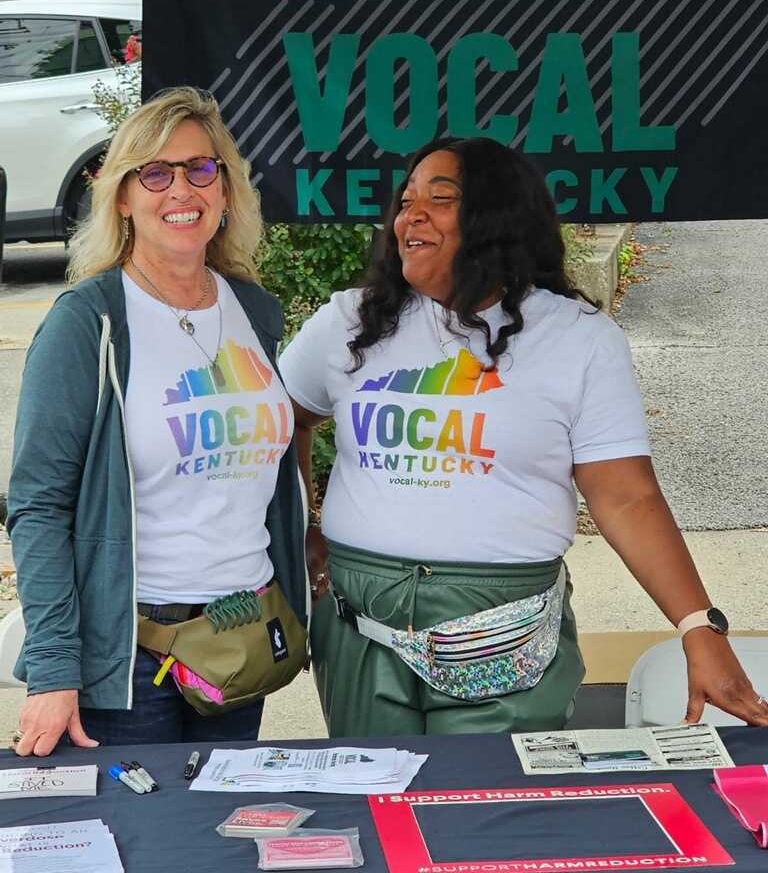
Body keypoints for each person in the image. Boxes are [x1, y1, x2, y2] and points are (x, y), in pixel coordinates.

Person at [279, 135, 768, 737]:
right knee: (377, 804)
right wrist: (300, 526)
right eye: (406, 201)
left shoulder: (578, 339)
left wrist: (698, 625)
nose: (411, 215)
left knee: (489, 810)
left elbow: (627, 497)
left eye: (441, 198)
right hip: (360, 623)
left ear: (498, 218)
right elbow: (284, 420)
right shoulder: (350, 321)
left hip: (503, 629)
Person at [8, 87, 306, 756]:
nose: (182, 189)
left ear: (226, 191)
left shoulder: (254, 311)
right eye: (156, 172)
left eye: (202, 169)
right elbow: (38, 506)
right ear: (121, 196)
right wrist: (54, 669)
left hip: (240, 640)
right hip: (132, 658)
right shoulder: (89, 324)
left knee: (228, 838)